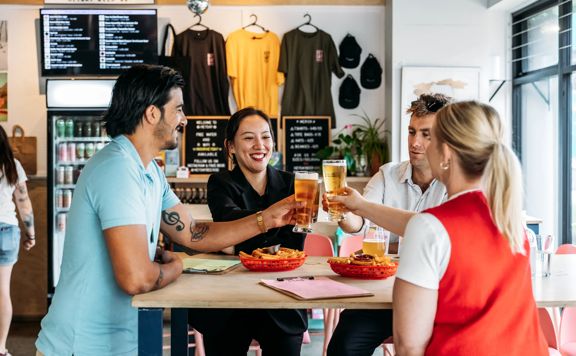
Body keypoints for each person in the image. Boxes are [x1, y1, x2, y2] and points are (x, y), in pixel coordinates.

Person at [36, 65, 299, 356]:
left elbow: (193, 233)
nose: (184, 119)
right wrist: (175, 266)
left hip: (118, 340)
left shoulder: (149, 170)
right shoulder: (118, 169)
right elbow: (136, 278)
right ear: (152, 114)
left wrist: (266, 219)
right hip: (83, 345)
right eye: (178, 109)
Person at [331, 101, 548, 355]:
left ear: (445, 153)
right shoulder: (510, 220)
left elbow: (410, 346)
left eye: (430, 138)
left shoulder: (430, 228)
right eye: (413, 133)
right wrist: (359, 206)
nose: (417, 145)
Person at [326, 93, 450, 356]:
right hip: (384, 295)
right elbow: (358, 223)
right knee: (344, 346)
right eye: (412, 132)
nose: (415, 143)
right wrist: (342, 212)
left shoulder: (455, 181)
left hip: (439, 297)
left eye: (426, 134)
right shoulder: (388, 174)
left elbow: (436, 235)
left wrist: (365, 211)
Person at [188, 107, 307, 356]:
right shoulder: (220, 183)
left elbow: (293, 244)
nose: (259, 145)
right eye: (248, 137)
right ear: (230, 146)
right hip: (229, 302)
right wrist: (263, 230)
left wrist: (234, 242)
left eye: (265, 137)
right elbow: (226, 222)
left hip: (282, 298)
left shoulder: (293, 183)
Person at [0, 125, 36, 356]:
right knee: (3, 291)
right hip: (7, 231)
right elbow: (23, 202)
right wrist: (31, 233)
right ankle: (0, 347)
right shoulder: (12, 165)